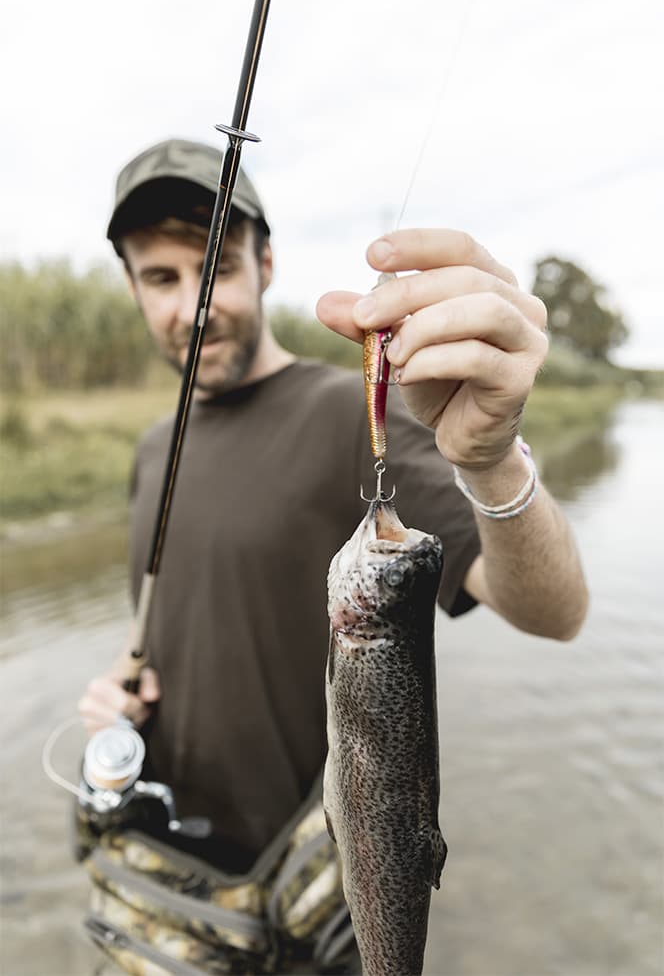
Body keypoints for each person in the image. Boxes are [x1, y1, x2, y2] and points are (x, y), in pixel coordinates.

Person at [77, 138, 588, 974]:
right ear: (134, 289)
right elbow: (193, 621)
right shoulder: (150, 448)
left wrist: (492, 462)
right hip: (181, 882)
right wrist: (120, 694)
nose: (193, 306)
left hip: (321, 894)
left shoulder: (345, 415)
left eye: (214, 268)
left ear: (265, 261)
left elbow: (554, 609)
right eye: (161, 279)